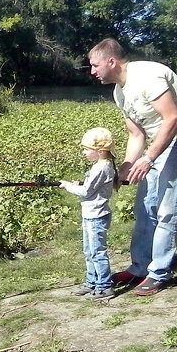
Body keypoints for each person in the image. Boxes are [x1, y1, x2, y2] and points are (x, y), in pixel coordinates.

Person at [87, 38, 177, 296]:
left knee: (166, 209)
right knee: (145, 206)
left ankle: (159, 274)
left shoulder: (147, 76)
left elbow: (173, 119)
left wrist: (148, 159)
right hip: (161, 145)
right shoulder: (120, 91)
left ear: (112, 61)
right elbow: (136, 134)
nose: (92, 71)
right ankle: (140, 268)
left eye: (95, 65)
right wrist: (126, 167)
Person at [58, 127, 118, 300]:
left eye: (86, 149)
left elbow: (86, 191)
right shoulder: (100, 166)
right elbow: (92, 185)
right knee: (88, 251)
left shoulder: (101, 168)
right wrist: (79, 182)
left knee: (97, 252)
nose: (84, 153)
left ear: (99, 151)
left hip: (96, 217)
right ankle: (92, 281)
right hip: (90, 216)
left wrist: (67, 186)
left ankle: (105, 286)